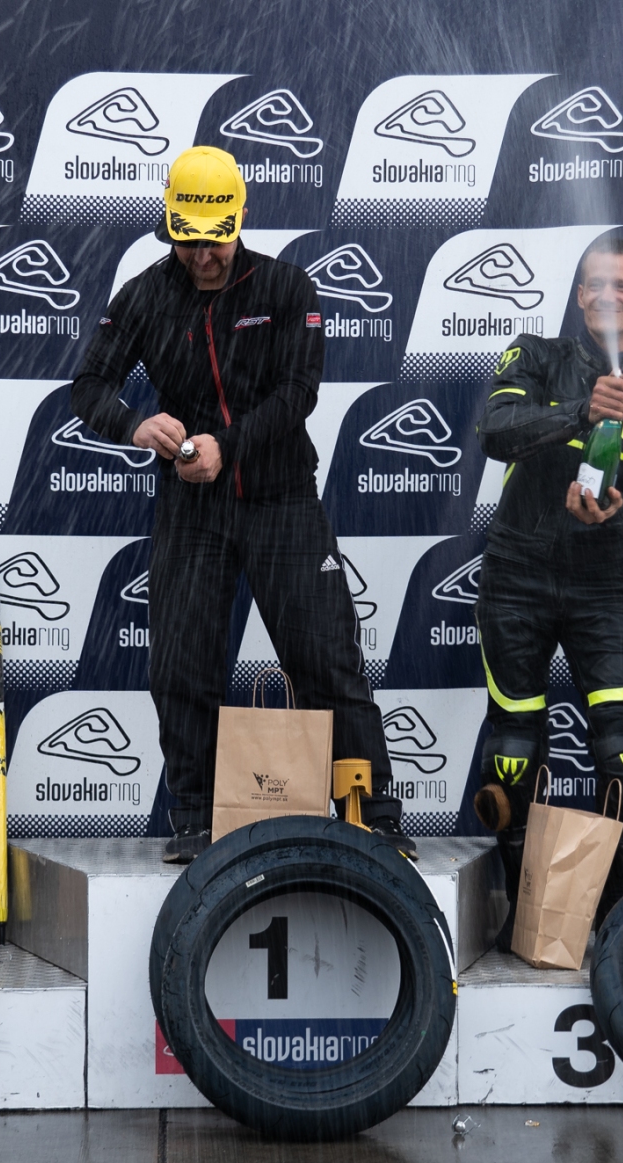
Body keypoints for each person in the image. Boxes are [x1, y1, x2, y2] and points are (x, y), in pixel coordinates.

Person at [71, 147, 411, 864]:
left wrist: (227, 445)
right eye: (186, 241)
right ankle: (196, 816)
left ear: (241, 219)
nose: (202, 256)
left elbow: (298, 395)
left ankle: (373, 815)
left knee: (325, 660)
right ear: (169, 225)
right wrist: (136, 426)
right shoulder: (143, 295)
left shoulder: (286, 286)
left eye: (215, 240)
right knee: (181, 664)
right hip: (193, 507)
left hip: (281, 498)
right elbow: (89, 387)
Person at [470, 236, 623, 963]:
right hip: (516, 573)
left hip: (602, 582)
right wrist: (578, 413)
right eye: (596, 283)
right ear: (578, 295)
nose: (608, 296)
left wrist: (617, 516)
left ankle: (622, 920)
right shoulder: (534, 355)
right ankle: (525, 918)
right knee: (513, 749)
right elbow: (495, 432)